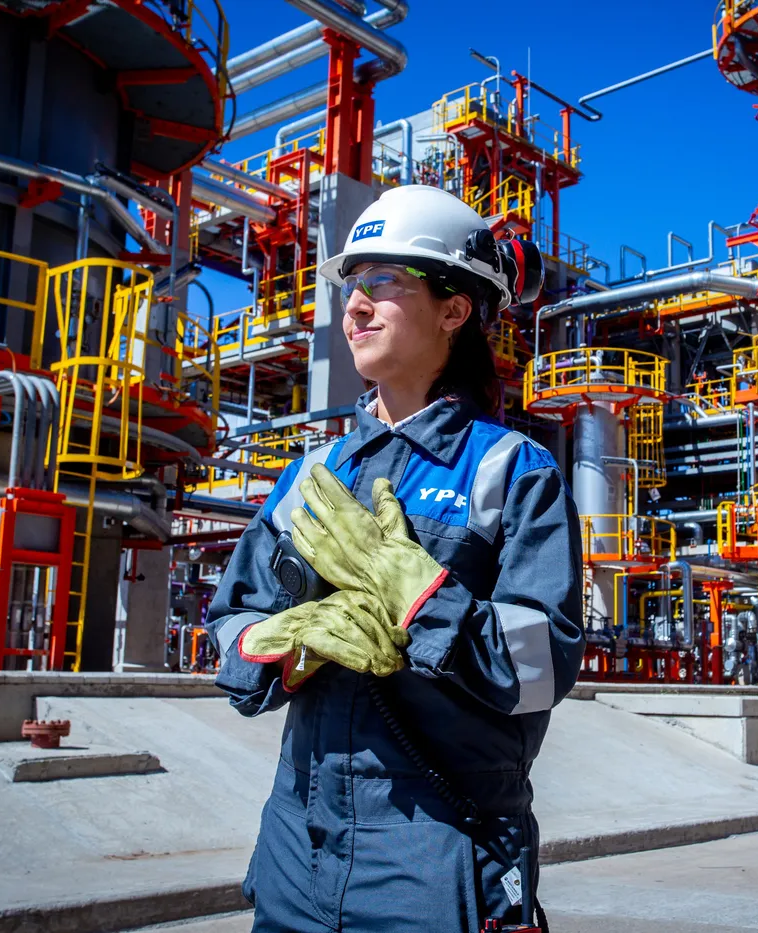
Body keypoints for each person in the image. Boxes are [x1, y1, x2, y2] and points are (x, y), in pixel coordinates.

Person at [205, 184, 585, 933]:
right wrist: (281, 643)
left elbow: (545, 665)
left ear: (455, 309)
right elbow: (229, 618)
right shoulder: (314, 478)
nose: (355, 306)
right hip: (296, 847)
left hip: (439, 850)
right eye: (353, 285)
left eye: (385, 282)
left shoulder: (512, 471)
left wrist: (422, 600)